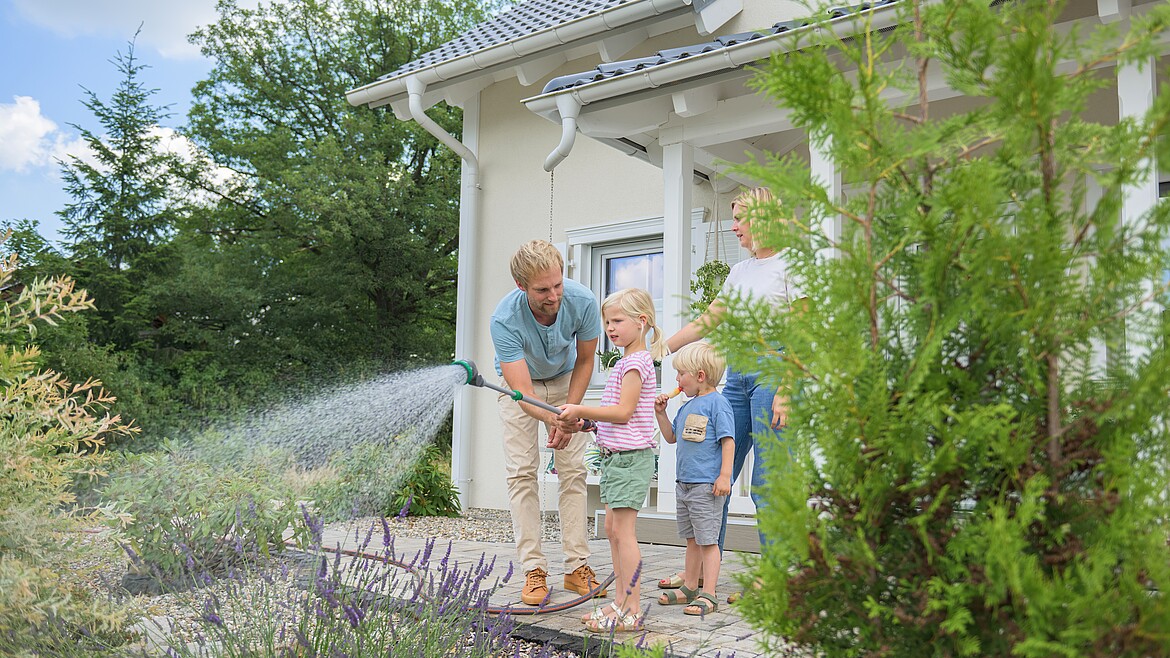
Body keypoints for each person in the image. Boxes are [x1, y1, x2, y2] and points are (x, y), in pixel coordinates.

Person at [657, 188, 806, 601]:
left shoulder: (793, 264)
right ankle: (701, 574)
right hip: (738, 375)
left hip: (775, 374)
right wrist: (662, 348)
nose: (735, 226)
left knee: (767, 481)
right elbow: (709, 320)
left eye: (740, 218)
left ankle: (774, 575)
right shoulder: (740, 271)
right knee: (712, 473)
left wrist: (788, 387)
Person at [490, 240, 606, 606]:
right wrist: (554, 418)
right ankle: (534, 570)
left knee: (573, 472)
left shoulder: (583, 301)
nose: (553, 296)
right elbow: (522, 392)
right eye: (542, 290)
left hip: (567, 379)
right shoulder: (504, 319)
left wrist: (570, 412)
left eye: (558, 285)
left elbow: (586, 360)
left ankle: (577, 566)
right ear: (521, 286)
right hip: (520, 386)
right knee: (522, 472)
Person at [556, 288, 666, 632]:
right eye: (607, 322)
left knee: (624, 532)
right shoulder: (625, 362)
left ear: (641, 321)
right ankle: (620, 602)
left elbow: (623, 412)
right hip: (616, 458)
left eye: (617, 321)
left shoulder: (635, 363)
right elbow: (617, 419)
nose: (610, 328)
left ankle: (632, 608)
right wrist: (589, 424)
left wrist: (580, 408)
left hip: (630, 460)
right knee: (611, 529)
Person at [653, 342, 734, 616]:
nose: (677, 379)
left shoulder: (718, 404)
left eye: (681, 374)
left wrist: (725, 476)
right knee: (691, 540)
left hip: (706, 486)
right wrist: (661, 414)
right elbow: (671, 437)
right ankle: (689, 586)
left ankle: (709, 593)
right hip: (684, 484)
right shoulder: (686, 406)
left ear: (700, 376)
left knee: (708, 541)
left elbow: (728, 441)